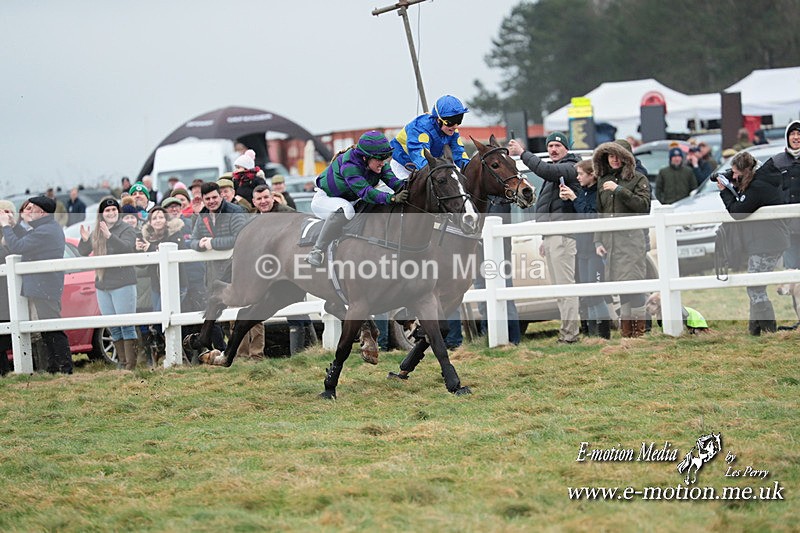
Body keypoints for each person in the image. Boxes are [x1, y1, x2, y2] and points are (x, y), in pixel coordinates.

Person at [509, 132, 582, 344]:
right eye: (550, 146)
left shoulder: (570, 167)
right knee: (559, 288)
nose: (553, 149)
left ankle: (570, 335)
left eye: (558, 145)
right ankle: (567, 332)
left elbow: (546, 170)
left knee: (565, 287)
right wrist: (544, 237)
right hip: (553, 236)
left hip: (564, 236)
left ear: (566, 148)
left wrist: (523, 153)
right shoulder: (557, 172)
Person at [306, 130, 407, 267]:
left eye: (383, 159)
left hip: (351, 198)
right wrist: (392, 199)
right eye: (379, 159)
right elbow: (366, 192)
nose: (382, 163)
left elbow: (395, 183)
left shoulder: (379, 165)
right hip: (325, 199)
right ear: (365, 157)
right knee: (347, 210)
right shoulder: (350, 166)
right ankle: (317, 250)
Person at [716, 151, 789, 335]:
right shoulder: (759, 181)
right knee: (755, 285)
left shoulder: (758, 187)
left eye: (735, 173)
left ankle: (766, 330)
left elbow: (737, 211)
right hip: (766, 241)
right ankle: (756, 330)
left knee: (755, 286)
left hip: (766, 243)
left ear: (745, 171)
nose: (733, 176)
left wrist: (725, 191)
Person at [0, 196, 71, 374]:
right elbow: (26, 239)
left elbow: (17, 246)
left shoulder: (45, 231)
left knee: (53, 328)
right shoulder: (45, 228)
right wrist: (14, 225)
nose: (28, 212)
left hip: (45, 286)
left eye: (32, 209)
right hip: (43, 286)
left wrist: (6, 226)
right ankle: (55, 368)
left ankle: (64, 367)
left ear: (42, 212)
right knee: (46, 329)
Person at [593, 141, 652, 338]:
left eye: (618, 156)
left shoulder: (638, 178)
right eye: (611, 156)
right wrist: (597, 241)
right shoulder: (603, 180)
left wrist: (619, 190)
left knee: (634, 286)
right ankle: (627, 335)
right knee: (622, 289)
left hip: (632, 242)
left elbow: (643, 206)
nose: (614, 160)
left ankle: (639, 333)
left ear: (627, 157)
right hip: (611, 245)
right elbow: (600, 214)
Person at [77, 197, 139, 369]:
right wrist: (84, 239)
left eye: (114, 210)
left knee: (126, 325)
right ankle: (122, 362)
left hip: (123, 283)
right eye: (107, 211)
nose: (111, 213)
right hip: (102, 285)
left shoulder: (126, 229)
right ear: (102, 214)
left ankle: (131, 365)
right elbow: (84, 251)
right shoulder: (97, 231)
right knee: (113, 327)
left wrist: (110, 236)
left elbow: (126, 248)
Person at [559, 159, 611, 339]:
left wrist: (575, 198)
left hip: (595, 249)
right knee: (586, 296)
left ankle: (603, 336)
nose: (578, 177)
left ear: (592, 175)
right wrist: (566, 200)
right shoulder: (583, 192)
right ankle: (591, 335)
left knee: (596, 295)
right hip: (581, 249)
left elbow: (591, 216)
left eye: (581, 174)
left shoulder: (599, 194)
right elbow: (574, 215)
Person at [390, 94, 471, 179]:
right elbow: (420, 158)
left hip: (429, 166)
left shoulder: (451, 130)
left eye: (458, 121)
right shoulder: (419, 128)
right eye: (451, 122)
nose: (455, 126)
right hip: (403, 167)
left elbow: (459, 154)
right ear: (438, 119)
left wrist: (472, 169)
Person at [761, 121, 800, 272]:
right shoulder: (776, 162)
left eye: (799, 134)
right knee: (792, 272)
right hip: (788, 228)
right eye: (792, 134)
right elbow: (759, 184)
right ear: (787, 137)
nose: (796, 137)